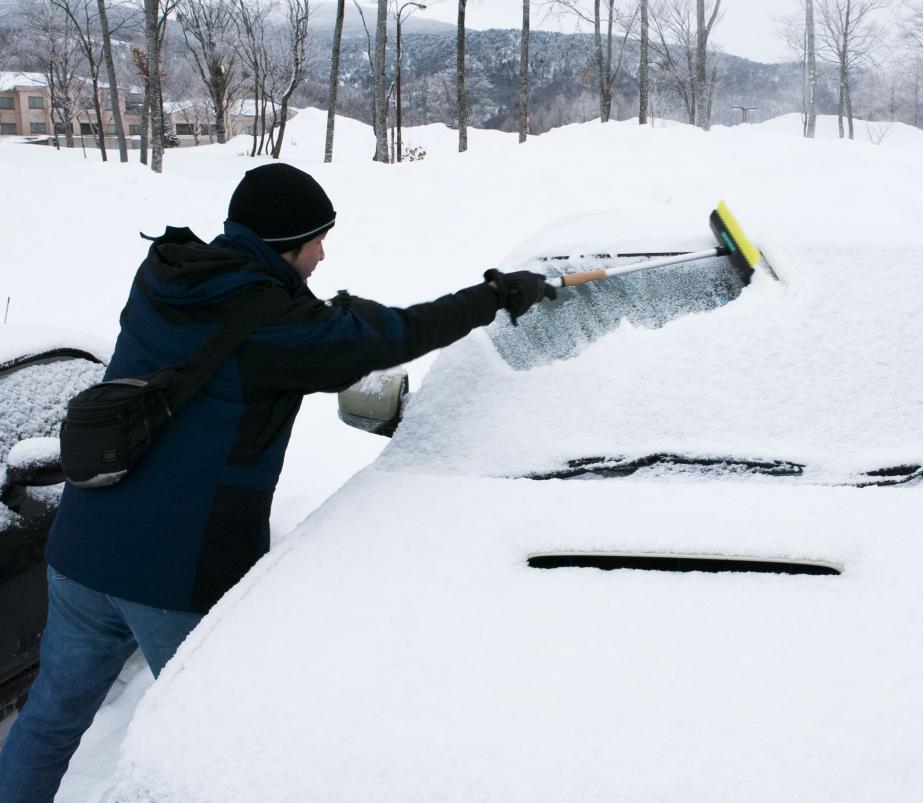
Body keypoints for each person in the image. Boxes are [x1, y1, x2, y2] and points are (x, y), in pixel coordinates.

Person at [0, 163, 555, 802]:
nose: (322, 254)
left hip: (81, 547)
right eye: (316, 239)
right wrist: (493, 295)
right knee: (209, 746)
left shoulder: (167, 276)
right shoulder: (276, 325)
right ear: (284, 243)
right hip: (175, 573)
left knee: (51, 717)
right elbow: (394, 334)